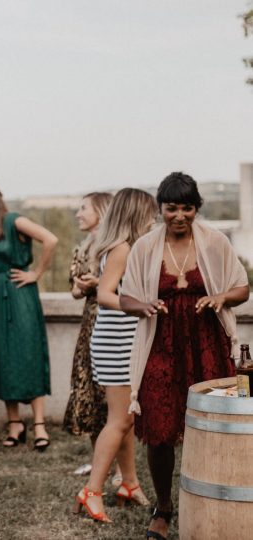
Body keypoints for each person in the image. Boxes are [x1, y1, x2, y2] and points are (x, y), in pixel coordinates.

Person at [120, 173, 249, 539]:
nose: (179, 215)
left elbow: (242, 287)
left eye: (187, 207)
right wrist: (143, 305)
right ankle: (164, 508)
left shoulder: (216, 242)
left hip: (206, 343)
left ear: (197, 209)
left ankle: (214, 501)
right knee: (159, 432)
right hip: (159, 346)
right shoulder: (145, 246)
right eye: (171, 207)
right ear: (160, 208)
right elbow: (126, 296)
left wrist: (221, 298)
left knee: (212, 429)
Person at [75, 188, 157, 523]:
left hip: (121, 340)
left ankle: (130, 483)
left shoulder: (124, 248)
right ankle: (91, 491)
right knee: (119, 420)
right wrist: (141, 305)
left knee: (126, 418)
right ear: (136, 215)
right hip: (116, 342)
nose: (154, 220)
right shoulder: (122, 248)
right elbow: (106, 295)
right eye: (150, 214)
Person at [0, 181, 57, 451]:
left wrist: (36, 274)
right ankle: (14, 423)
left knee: (29, 352)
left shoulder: (14, 220)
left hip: (21, 294)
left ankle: (39, 424)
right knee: (3, 355)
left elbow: (50, 240)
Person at [63, 192, 113, 476]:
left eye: (84, 209)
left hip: (109, 320)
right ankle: (99, 461)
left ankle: (120, 469)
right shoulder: (82, 247)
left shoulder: (113, 247)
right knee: (89, 391)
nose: (78, 214)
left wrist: (100, 283)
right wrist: (83, 287)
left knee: (110, 396)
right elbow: (73, 290)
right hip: (88, 324)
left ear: (101, 212)